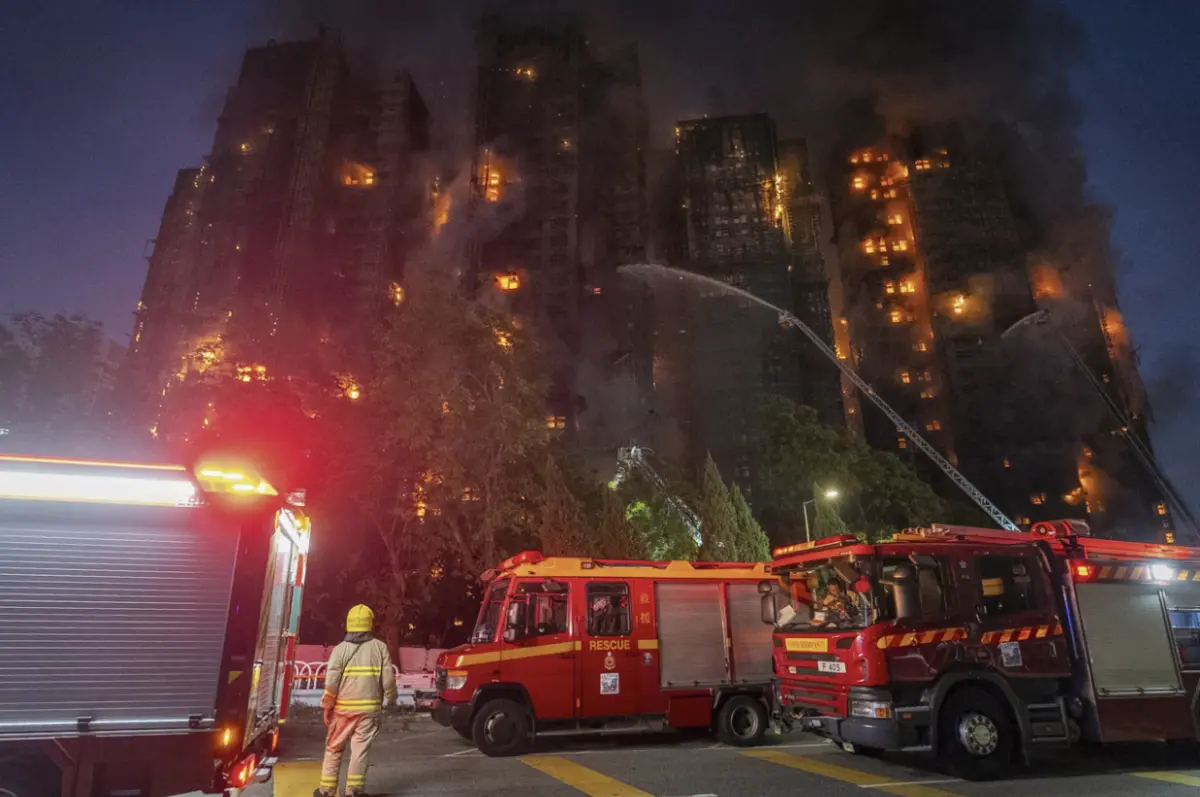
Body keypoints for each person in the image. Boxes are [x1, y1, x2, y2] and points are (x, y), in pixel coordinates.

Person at [316, 604, 397, 797]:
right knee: (360, 750)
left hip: (342, 711)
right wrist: (391, 698)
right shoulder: (380, 648)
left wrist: (327, 706)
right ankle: (353, 791)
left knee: (334, 748)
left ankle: (326, 791)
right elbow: (388, 679)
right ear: (370, 624)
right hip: (369, 711)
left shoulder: (339, 650)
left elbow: (332, 681)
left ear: (349, 624)